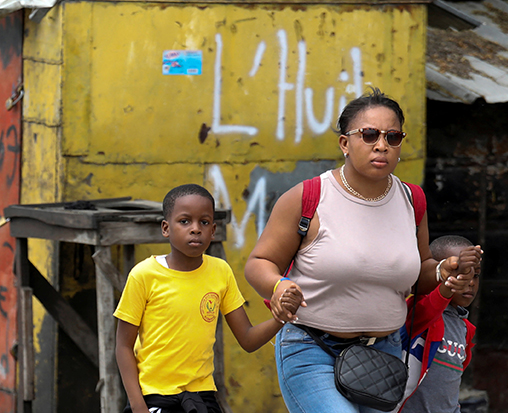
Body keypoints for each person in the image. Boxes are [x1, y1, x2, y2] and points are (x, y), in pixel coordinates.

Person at [243, 89, 481, 413]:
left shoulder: (413, 201)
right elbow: (259, 262)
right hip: (311, 348)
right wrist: (279, 285)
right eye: (369, 134)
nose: (381, 145)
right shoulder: (309, 197)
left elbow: (418, 274)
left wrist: (441, 271)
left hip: (382, 355)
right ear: (345, 143)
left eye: (392, 136)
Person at [114, 184, 300, 413]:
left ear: (213, 231)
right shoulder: (144, 275)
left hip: (201, 399)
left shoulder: (220, 271)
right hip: (155, 397)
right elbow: (123, 346)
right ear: (166, 228)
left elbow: (248, 339)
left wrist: (281, 317)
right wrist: (138, 406)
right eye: (184, 221)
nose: (195, 229)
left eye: (203, 222)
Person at [397, 235, 481, 413]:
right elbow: (432, 306)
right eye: (461, 272)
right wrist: (450, 283)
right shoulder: (417, 310)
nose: (470, 282)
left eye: (476, 275)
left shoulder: (465, 329)